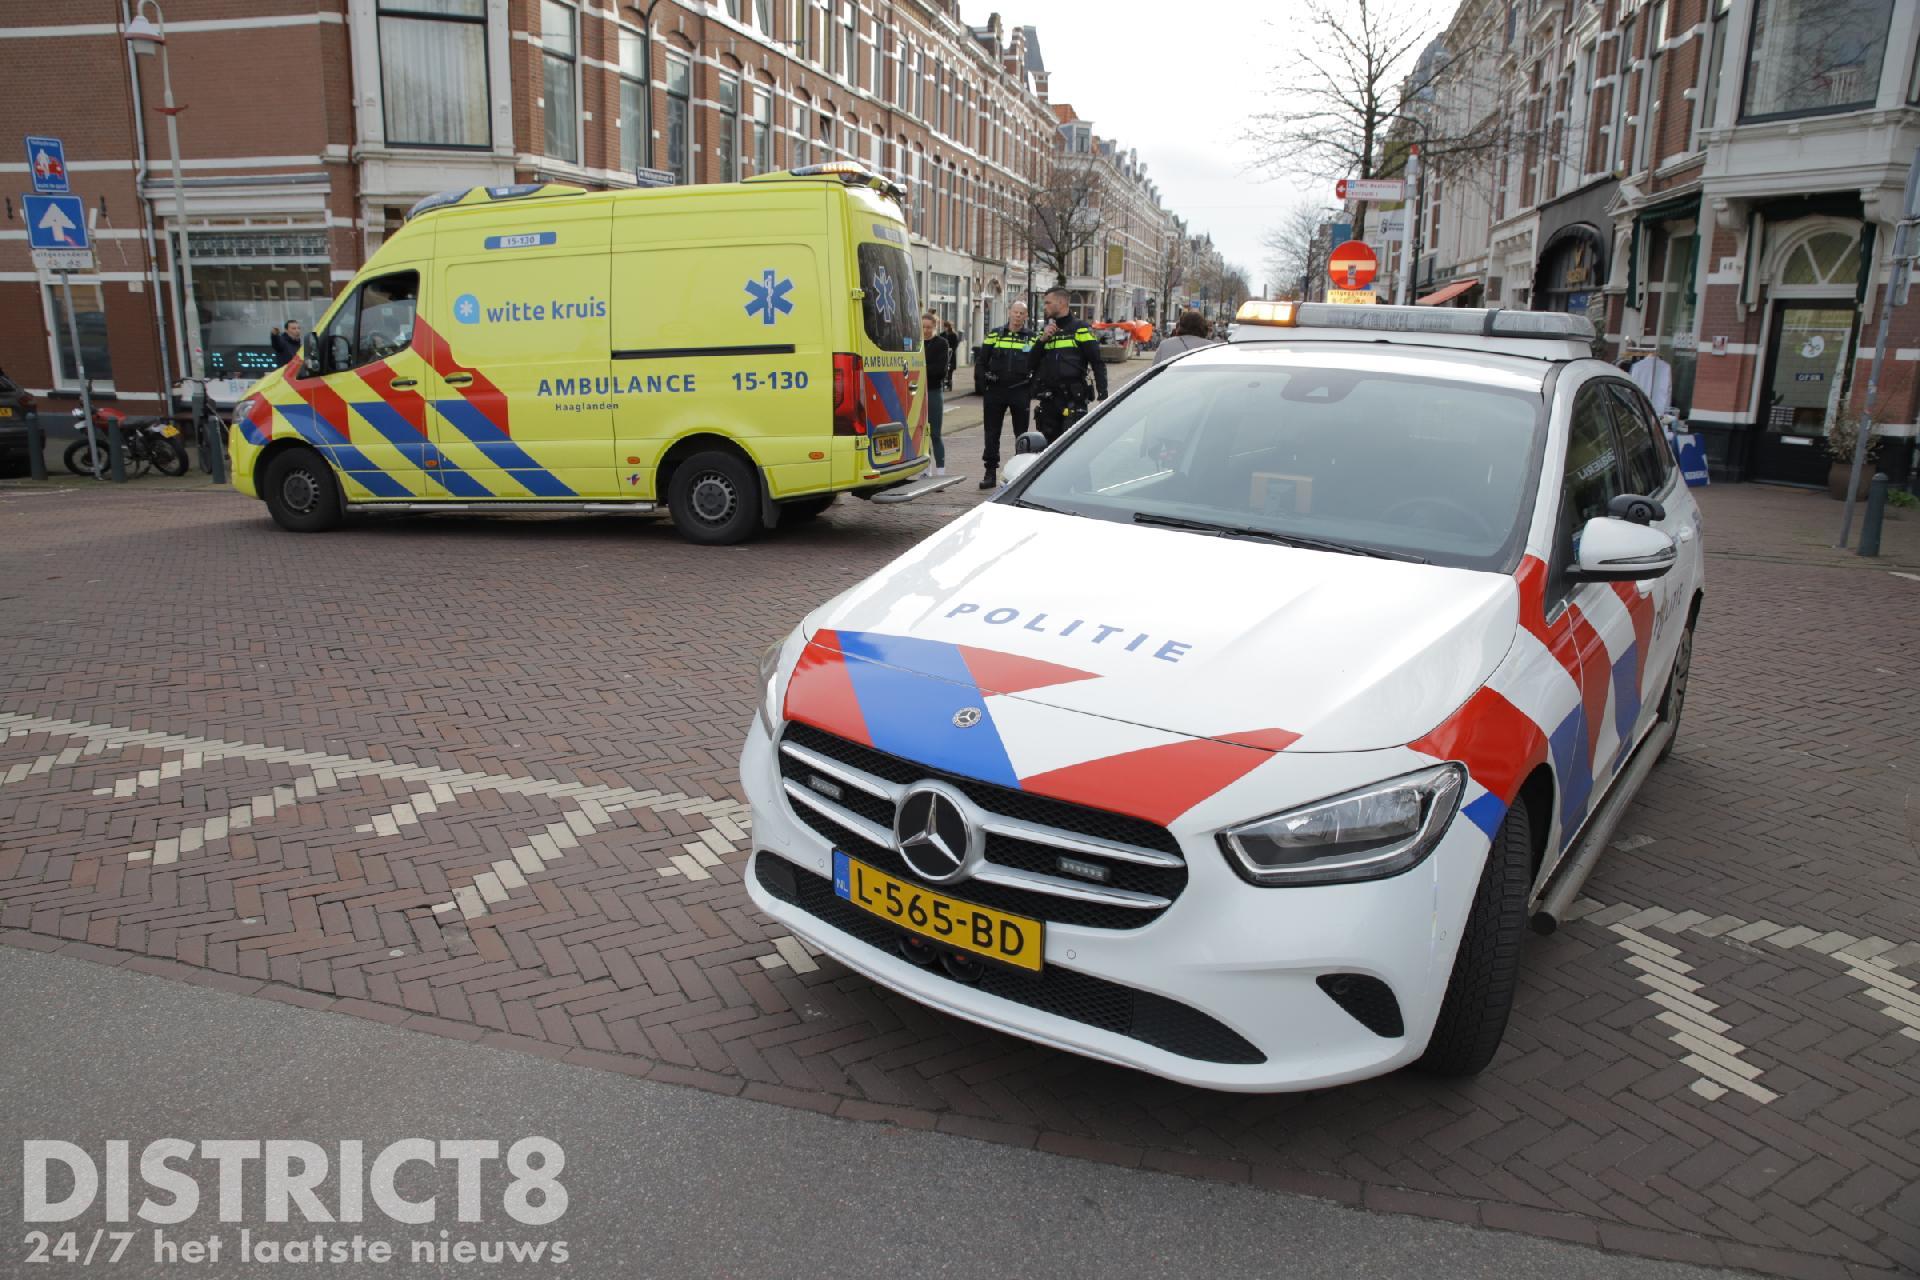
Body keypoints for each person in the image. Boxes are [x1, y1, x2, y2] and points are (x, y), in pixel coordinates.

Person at [1031, 287, 1107, 445]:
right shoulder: (1046, 333)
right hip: (1049, 403)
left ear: (1061, 302)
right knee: (1048, 453)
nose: (1044, 307)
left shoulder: (1080, 329)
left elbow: (1097, 362)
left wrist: (1103, 395)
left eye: (1048, 303)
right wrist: (1041, 340)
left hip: (1073, 400)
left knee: (1073, 449)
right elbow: (1029, 363)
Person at [973, 300, 1036, 489]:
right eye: (1015, 312)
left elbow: (1039, 364)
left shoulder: (1032, 338)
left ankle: (1018, 473)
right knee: (992, 433)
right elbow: (981, 361)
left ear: (1026, 316)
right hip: (996, 391)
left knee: (1021, 434)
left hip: (1020, 390)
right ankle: (990, 473)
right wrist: (984, 386)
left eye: (1021, 313)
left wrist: (1031, 388)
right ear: (1009, 313)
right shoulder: (995, 334)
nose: (1018, 316)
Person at [919, 313, 950, 476]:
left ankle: (941, 471)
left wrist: (921, 369)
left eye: (929, 327)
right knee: (922, 433)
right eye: (923, 327)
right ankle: (926, 470)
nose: (925, 331)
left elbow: (940, 371)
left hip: (933, 391)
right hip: (916, 393)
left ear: (934, 327)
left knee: (935, 433)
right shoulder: (915, 343)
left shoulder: (941, 344)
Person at [1153, 309, 1217, 365]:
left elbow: (1154, 372)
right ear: (1203, 327)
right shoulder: (1211, 347)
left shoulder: (1165, 345)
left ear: (1181, 325)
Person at [940, 319, 960, 391]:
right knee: (944, 369)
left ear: (949, 327)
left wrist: (951, 349)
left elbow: (955, 345)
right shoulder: (942, 335)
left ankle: (949, 383)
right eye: (944, 326)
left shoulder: (954, 335)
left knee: (950, 370)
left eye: (946, 326)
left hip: (951, 355)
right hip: (943, 355)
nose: (944, 328)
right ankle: (943, 383)